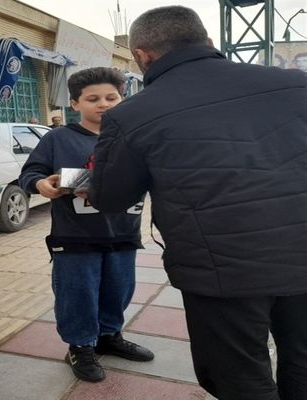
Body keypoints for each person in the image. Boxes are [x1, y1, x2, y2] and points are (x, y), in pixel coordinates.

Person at [88, 6, 307, 400]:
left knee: (240, 377)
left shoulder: (132, 114)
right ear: (208, 42)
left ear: (142, 55)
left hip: (222, 273)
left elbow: (111, 198)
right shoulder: (297, 84)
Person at [19, 67, 154, 383]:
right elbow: (30, 174)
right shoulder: (58, 138)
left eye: (111, 97)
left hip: (123, 233)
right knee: (77, 293)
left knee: (119, 289)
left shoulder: (135, 137)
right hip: (75, 236)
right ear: (75, 103)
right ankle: (79, 345)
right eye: (93, 99)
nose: (103, 104)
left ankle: (109, 335)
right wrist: (42, 184)